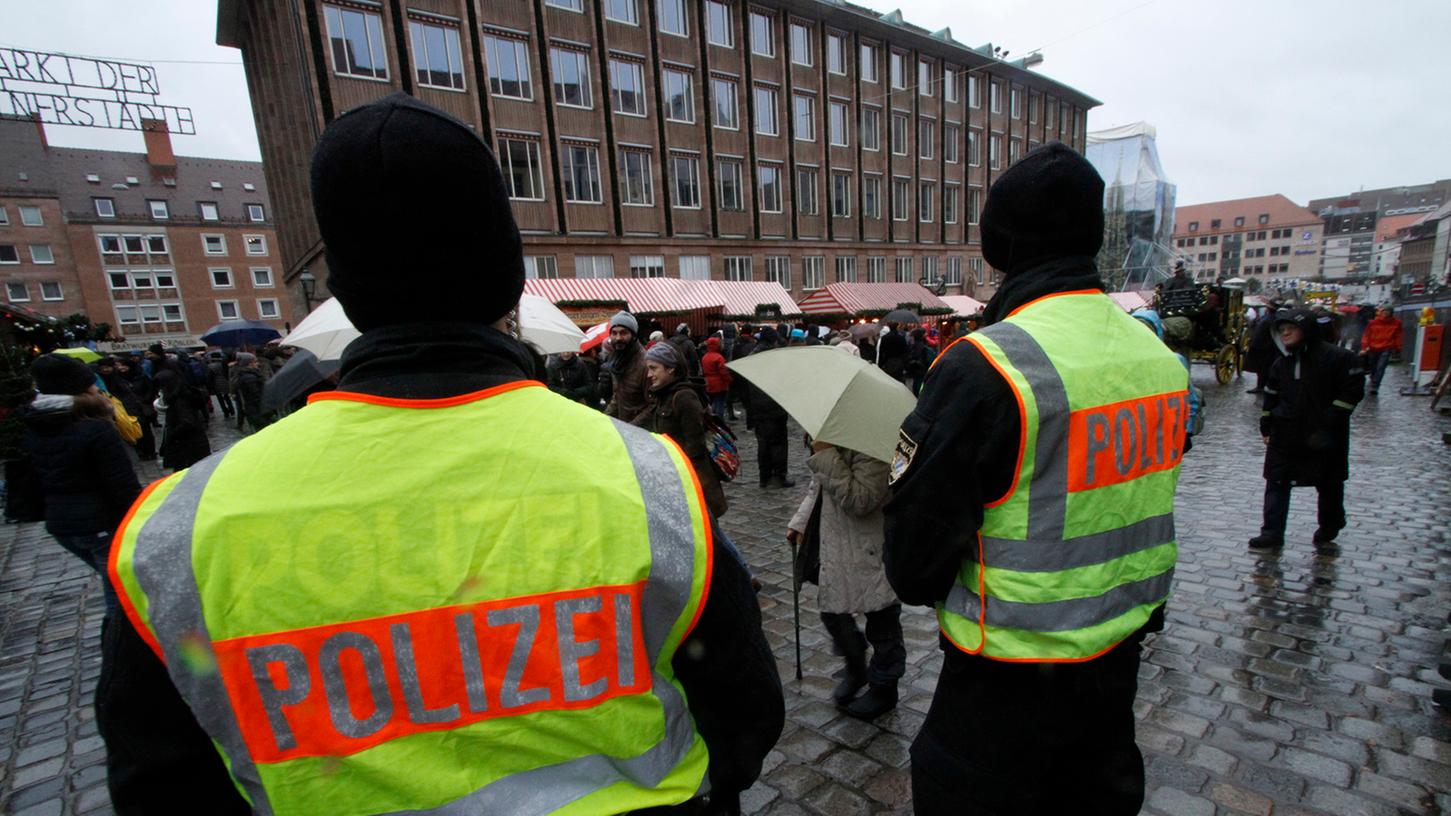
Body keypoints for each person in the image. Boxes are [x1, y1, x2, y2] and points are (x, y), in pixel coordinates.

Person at [100, 94, 782, 815]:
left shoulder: (176, 529)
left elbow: (158, 779)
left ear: (345, 289)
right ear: (505, 280)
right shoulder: (650, 478)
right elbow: (743, 711)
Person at [882, 142, 1189, 815]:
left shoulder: (984, 367)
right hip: (1114, 670)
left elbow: (912, 566)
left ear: (1000, 245)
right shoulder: (1157, 357)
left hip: (1004, 689)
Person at [787, 439, 903, 720]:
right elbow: (818, 488)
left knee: (882, 619)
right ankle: (856, 665)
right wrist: (800, 522)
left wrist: (825, 454)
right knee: (832, 611)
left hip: (869, 546)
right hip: (835, 543)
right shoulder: (836, 435)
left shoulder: (874, 442)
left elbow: (861, 499)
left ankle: (885, 686)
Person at [20, 354, 141, 614]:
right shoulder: (96, 428)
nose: (98, 386)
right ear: (80, 388)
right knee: (121, 599)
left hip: (61, 524)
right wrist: (140, 520)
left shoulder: (35, 425)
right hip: (99, 524)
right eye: (92, 382)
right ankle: (119, 651)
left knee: (117, 588)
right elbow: (122, 485)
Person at [1249, 308, 1366, 554]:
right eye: (1281, 330)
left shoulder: (1339, 358)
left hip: (1324, 436)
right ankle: (1271, 531)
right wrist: (1266, 425)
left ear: (1307, 330)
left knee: (1329, 483)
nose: (1286, 334)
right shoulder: (1281, 364)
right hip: (1285, 434)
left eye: (1291, 328)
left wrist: (1330, 419)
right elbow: (1270, 397)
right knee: (1276, 481)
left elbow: (1352, 392)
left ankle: (1330, 525)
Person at [632, 343, 728, 519]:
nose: (649, 375)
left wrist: (678, 474)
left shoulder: (683, 396)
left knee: (713, 539)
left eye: (654, 368)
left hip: (693, 483)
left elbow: (696, 445)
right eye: (648, 369)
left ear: (670, 369)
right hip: (675, 479)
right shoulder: (662, 394)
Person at [748, 327, 793, 489]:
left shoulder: (751, 357)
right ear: (773, 340)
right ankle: (780, 476)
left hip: (758, 407)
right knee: (779, 443)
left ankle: (764, 477)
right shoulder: (775, 357)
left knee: (763, 443)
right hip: (775, 406)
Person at [153, 364, 211, 472]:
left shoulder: (180, 401)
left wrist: (172, 434)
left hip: (188, 448)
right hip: (191, 446)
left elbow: (187, 422)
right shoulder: (181, 397)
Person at [603, 311, 650, 420]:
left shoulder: (645, 363)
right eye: (614, 333)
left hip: (640, 431)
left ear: (633, 335)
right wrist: (603, 418)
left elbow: (652, 405)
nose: (618, 338)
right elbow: (617, 396)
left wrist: (631, 428)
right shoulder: (616, 360)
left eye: (623, 333)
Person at [1360, 305, 1403, 396]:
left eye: (1388, 311)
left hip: (1387, 347)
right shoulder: (1373, 323)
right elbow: (1367, 335)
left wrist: (1398, 347)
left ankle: (1375, 385)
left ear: (1391, 313)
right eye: (1384, 311)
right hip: (1373, 347)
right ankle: (1373, 379)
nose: (1385, 313)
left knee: (1381, 367)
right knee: (1373, 366)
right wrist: (1364, 347)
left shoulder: (1397, 323)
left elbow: (1398, 336)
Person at [231, 351, 268, 433]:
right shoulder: (249, 377)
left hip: (254, 408)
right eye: (255, 362)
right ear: (249, 363)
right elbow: (256, 395)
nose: (257, 364)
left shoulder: (249, 374)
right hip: (256, 409)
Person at [701, 336, 732, 419]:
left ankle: (712, 419)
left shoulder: (705, 357)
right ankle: (719, 421)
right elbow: (723, 372)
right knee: (720, 403)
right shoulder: (719, 357)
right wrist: (729, 380)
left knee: (713, 402)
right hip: (719, 383)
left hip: (709, 383)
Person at [206, 351, 235, 418]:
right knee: (227, 397)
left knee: (220, 399)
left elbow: (210, 377)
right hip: (226, 382)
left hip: (216, 384)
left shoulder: (210, 366)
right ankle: (232, 410)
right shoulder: (224, 364)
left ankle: (225, 412)